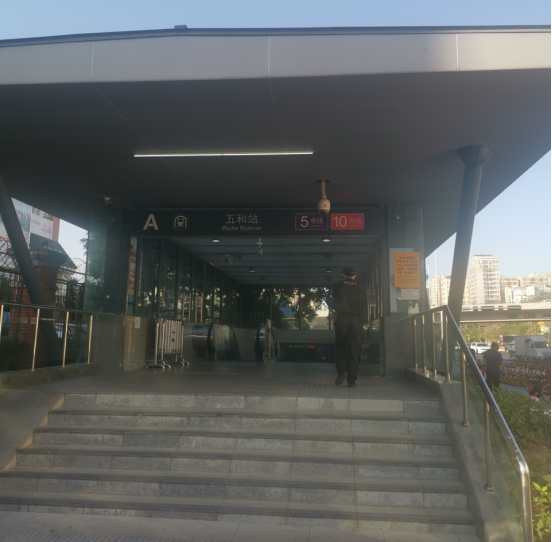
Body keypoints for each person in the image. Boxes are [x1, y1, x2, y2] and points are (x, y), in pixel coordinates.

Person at [330, 266, 366, 388]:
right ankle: (352, 381)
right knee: (354, 349)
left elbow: (332, 302)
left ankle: (342, 371)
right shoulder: (361, 287)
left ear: (343, 275)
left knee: (340, 346)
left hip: (342, 319)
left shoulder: (337, 286)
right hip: (355, 320)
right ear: (355, 275)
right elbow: (364, 304)